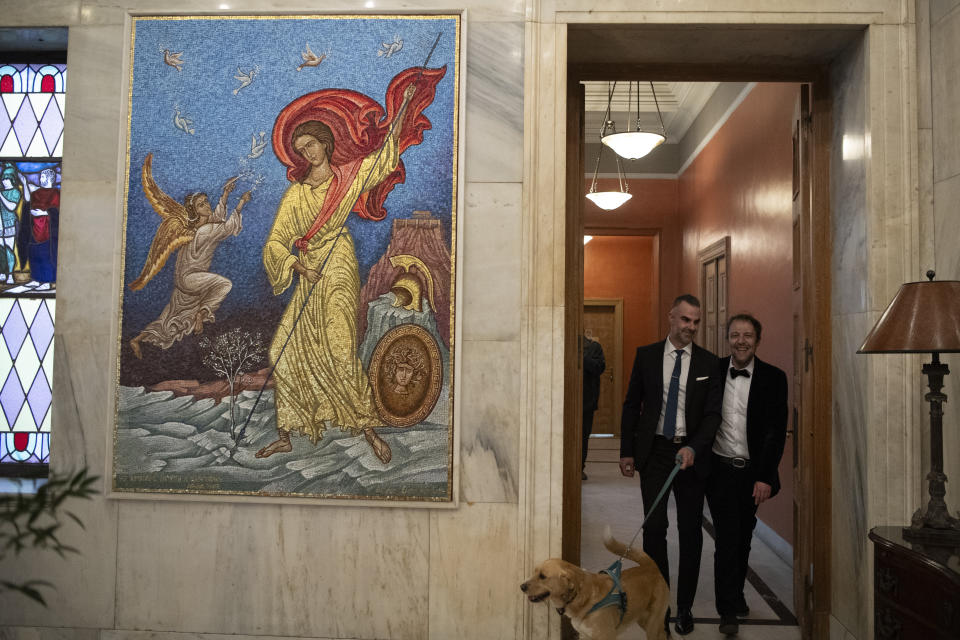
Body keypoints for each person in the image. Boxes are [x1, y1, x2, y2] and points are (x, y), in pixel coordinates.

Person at [255, 66, 444, 465]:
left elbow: (383, 158)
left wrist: (404, 109)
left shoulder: (347, 177)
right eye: (301, 148)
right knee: (284, 349)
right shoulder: (296, 194)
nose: (307, 153)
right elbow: (275, 241)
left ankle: (366, 428)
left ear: (325, 144)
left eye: (311, 145)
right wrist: (294, 265)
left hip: (336, 265)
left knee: (341, 347)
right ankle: (290, 432)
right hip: (307, 271)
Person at [619, 294, 722, 635]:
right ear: (671, 318)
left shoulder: (709, 363)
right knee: (655, 529)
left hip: (691, 456)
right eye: (685, 320)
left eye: (695, 321)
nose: (690, 327)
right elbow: (632, 405)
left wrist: (695, 446)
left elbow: (711, 415)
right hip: (656, 453)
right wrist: (627, 450)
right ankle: (658, 604)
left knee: (690, 531)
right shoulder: (647, 356)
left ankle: (686, 606)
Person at [706, 313, 787, 636]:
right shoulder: (712, 372)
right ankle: (727, 610)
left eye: (748, 335)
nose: (741, 341)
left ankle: (737, 595)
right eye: (735, 335)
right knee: (726, 539)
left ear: (757, 340)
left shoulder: (773, 378)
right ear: (728, 338)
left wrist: (765, 476)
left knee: (742, 538)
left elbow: (775, 432)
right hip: (718, 469)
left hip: (752, 474)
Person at [129, 156, 251, 359]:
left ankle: (138, 339)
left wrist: (226, 193)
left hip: (183, 281)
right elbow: (227, 227)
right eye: (201, 204)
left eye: (206, 201)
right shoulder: (206, 231)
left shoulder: (194, 228)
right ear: (195, 210)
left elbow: (218, 217)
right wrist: (241, 203)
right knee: (224, 285)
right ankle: (202, 315)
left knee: (171, 318)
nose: (206, 205)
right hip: (191, 278)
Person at [582, 332, 605, 480]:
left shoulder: (594, 347)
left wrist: (582, 358)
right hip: (564, 402)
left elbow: (600, 368)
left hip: (587, 402)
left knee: (583, 437)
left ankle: (579, 467)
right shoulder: (562, 345)